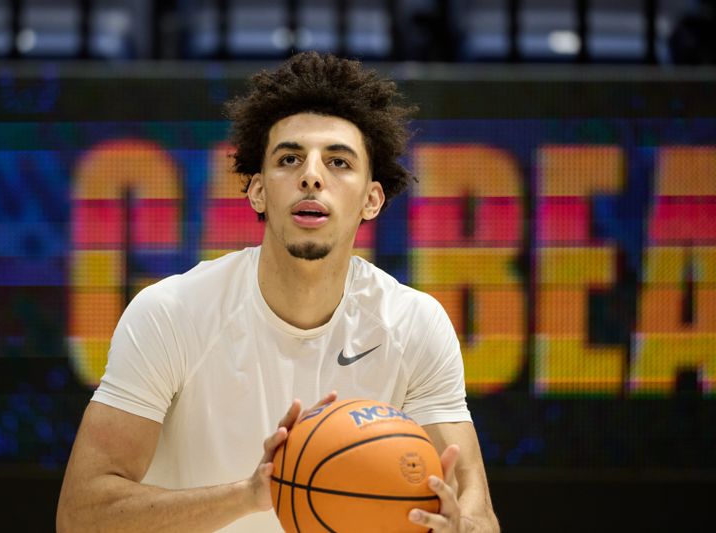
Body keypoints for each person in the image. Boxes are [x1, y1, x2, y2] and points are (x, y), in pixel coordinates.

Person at [57, 51, 499, 532]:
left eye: (338, 161)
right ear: (258, 191)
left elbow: (478, 514)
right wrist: (252, 494)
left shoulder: (413, 324)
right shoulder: (171, 313)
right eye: (289, 159)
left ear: (372, 199)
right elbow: (81, 515)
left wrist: (462, 528)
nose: (312, 175)